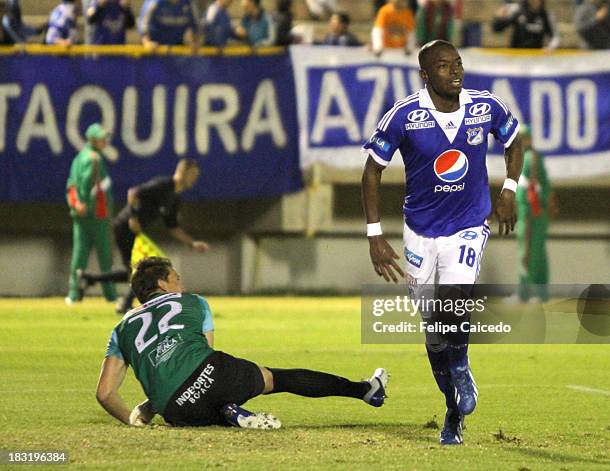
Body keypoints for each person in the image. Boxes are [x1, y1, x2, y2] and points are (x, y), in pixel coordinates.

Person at [361, 40, 523, 445]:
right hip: (420, 230)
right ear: (425, 74)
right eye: (444, 65)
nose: (455, 71)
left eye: (458, 63)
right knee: (434, 329)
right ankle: (453, 411)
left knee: (454, 300)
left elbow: (513, 140)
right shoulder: (403, 115)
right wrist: (375, 235)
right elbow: (371, 173)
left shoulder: (486, 106)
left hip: (468, 224)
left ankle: (463, 364)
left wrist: (509, 189)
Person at [96, 256, 389, 428]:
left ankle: (229, 412)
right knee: (274, 378)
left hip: (175, 409)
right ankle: (366, 391)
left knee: (207, 399)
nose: (181, 284)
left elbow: (106, 393)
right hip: (211, 376)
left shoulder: (121, 328)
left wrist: (137, 417)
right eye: (176, 278)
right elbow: (203, 354)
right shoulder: (192, 301)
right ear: (162, 284)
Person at [78, 158, 210, 313]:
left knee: (135, 270)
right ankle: (123, 303)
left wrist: (192, 243)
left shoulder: (175, 199)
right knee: (143, 270)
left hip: (136, 233)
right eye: (192, 174)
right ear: (182, 171)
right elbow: (133, 193)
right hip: (125, 227)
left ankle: (90, 279)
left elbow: (173, 227)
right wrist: (133, 217)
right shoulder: (163, 185)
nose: (194, 178)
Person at [65, 123, 117, 305]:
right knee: (105, 256)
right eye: (102, 138)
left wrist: (76, 204)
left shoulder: (78, 158)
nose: (105, 141)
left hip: (82, 216)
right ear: (94, 139)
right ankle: (110, 295)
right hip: (97, 215)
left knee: (79, 255)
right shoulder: (94, 159)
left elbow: (71, 185)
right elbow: (88, 183)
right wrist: (85, 202)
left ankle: (73, 294)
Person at [514, 124, 558, 303]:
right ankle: (541, 293)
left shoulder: (529, 158)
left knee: (528, 251)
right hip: (535, 211)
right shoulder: (530, 158)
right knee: (537, 252)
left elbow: (534, 186)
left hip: (531, 211)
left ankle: (526, 292)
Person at [492, 0, 560, 50]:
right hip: (516, 57)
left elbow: (555, 37)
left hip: (536, 58)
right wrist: (499, 18)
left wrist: (549, 48)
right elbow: (497, 28)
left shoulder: (546, 14)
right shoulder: (517, 9)